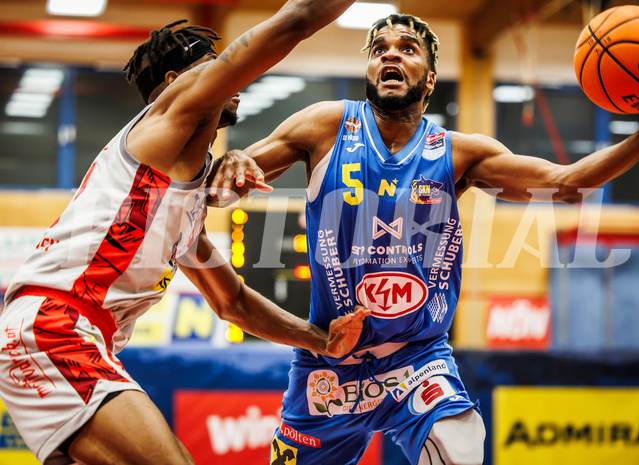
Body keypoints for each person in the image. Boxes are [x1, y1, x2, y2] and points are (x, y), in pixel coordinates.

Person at [211, 13, 639, 465]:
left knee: (463, 444)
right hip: (330, 357)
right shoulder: (326, 124)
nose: (390, 55)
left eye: (407, 48)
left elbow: (565, 185)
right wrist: (229, 166)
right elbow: (216, 191)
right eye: (379, 48)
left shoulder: (459, 153)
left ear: (430, 78)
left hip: (418, 358)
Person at [0, 1, 372, 464]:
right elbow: (294, 21)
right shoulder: (163, 123)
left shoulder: (183, 193)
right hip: (55, 326)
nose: (229, 78)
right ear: (177, 84)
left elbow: (231, 302)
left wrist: (319, 340)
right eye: (211, 67)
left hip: (78, 337)